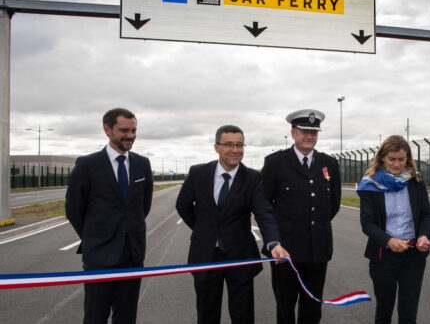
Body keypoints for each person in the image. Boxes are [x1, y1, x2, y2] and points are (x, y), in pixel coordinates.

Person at [176, 124, 289, 324]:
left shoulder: (253, 178)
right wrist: (204, 230)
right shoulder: (198, 173)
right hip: (205, 255)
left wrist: (273, 243)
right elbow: (183, 206)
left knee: (243, 315)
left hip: (241, 256)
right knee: (207, 313)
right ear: (216, 147)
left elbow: (264, 213)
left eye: (240, 145)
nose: (235, 150)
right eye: (229, 144)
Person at [65, 108, 153, 324]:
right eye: (124, 130)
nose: (130, 136)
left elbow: (144, 206)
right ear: (107, 129)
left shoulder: (143, 164)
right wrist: (94, 236)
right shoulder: (87, 164)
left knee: (126, 316)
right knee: (96, 315)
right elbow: (74, 208)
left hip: (132, 254)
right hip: (99, 256)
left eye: (134, 130)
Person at [261, 109, 341, 324]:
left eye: (314, 132)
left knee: (313, 308)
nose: (309, 136)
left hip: (318, 250)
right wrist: (273, 240)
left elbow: (332, 204)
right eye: (304, 131)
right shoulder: (275, 163)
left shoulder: (328, 165)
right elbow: (264, 206)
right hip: (285, 252)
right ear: (293, 133)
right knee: (285, 307)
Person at [357, 135, 430, 324]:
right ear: (382, 157)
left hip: (413, 255)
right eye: (392, 159)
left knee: (408, 315)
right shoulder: (370, 183)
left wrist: (424, 235)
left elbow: (427, 214)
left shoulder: (416, 181)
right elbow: (367, 223)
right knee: (384, 312)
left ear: (407, 158)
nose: (397, 164)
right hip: (384, 256)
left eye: (402, 159)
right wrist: (388, 241)